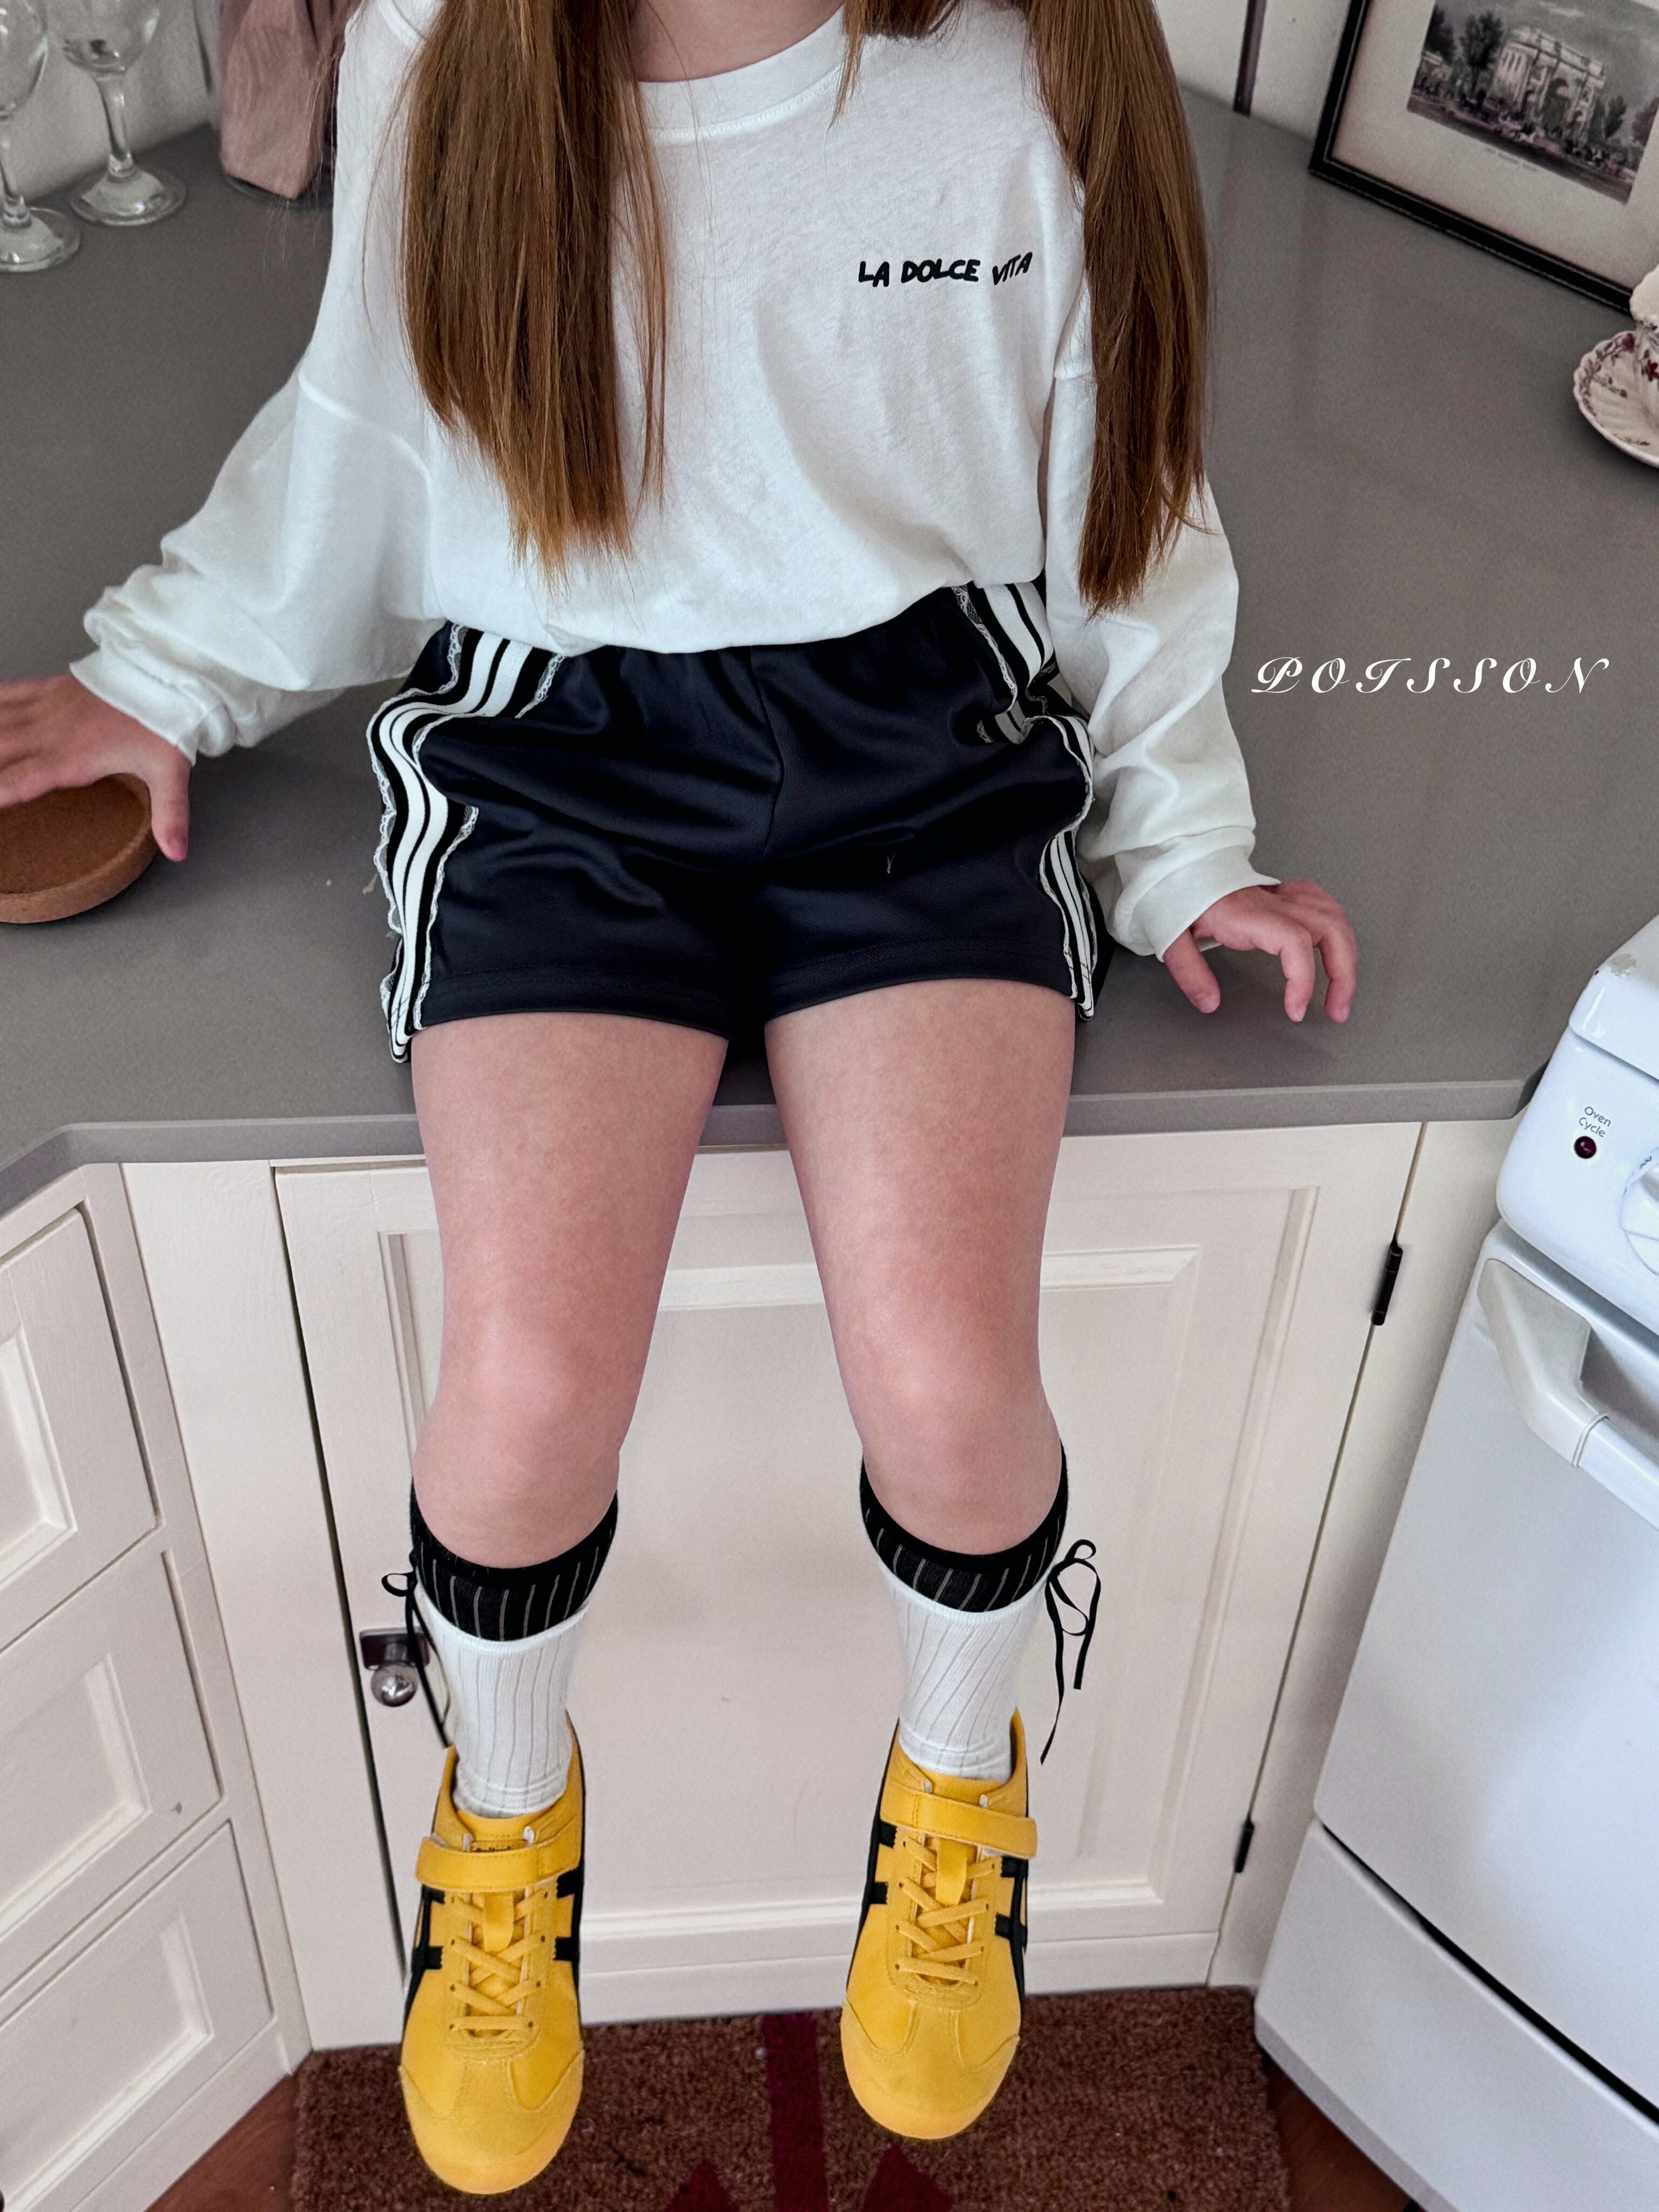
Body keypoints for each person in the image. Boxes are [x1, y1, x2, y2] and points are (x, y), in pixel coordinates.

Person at [0, 0, 1357, 2190]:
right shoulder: (450, 40)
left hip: (926, 754)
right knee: (526, 1388)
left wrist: (1184, 838)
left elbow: (1127, 480)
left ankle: (962, 1785)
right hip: (557, 758)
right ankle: (503, 1823)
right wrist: (164, 673)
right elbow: (365, 419)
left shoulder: (1034, 63)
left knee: (952, 1379)